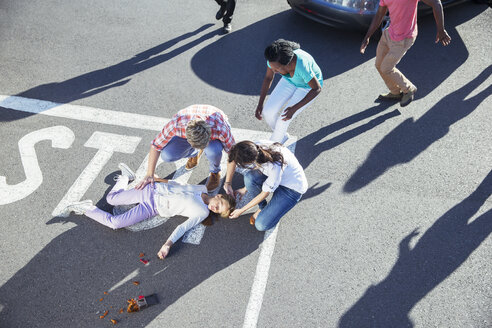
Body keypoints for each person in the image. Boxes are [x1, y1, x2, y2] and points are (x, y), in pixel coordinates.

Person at [65, 163, 235, 259]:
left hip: (152, 208)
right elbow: (178, 185)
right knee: (111, 199)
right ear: (219, 196)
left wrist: (167, 245)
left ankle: (87, 208)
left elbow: (183, 228)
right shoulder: (201, 188)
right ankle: (126, 177)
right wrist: (154, 179)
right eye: (219, 205)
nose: (216, 209)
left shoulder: (203, 213)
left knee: (115, 223)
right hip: (152, 190)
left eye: (219, 211)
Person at [360, 0, 451, 107]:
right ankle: (395, 92)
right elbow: (380, 13)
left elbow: (436, 3)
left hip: (404, 39)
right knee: (379, 64)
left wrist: (441, 30)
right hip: (389, 33)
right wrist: (367, 37)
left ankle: (409, 89)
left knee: (386, 68)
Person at [135, 104, 235, 192]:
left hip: (213, 126)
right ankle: (194, 154)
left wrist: (228, 183)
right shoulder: (176, 125)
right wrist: (149, 174)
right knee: (167, 155)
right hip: (189, 128)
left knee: (213, 151)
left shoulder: (220, 128)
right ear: (186, 136)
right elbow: (155, 146)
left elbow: (233, 154)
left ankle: (215, 171)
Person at [223, 140, 308, 231]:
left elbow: (264, 193)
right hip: (279, 178)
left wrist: (241, 210)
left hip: (292, 189)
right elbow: (232, 159)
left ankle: (272, 213)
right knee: (249, 178)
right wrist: (228, 183)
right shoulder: (252, 148)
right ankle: (263, 207)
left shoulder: (274, 167)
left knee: (261, 225)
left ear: (250, 162)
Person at [255, 39, 323, 144]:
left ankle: (274, 147)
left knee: (283, 119)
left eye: (277, 69)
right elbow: (268, 78)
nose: (274, 71)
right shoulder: (273, 60)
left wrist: (294, 108)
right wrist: (260, 104)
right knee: (268, 112)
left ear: (287, 64)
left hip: (307, 87)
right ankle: (281, 135)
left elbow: (317, 89)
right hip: (289, 81)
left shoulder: (301, 65)